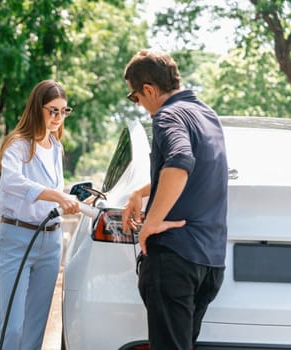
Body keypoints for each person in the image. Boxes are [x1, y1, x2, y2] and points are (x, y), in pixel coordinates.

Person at [121, 49, 228, 350]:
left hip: (175, 259)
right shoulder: (208, 115)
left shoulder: (167, 115)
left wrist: (149, 224)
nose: (139, 105)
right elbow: (190, 169)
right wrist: (140, 192)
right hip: (209, 262)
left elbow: (180, 162)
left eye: (135, 97)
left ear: (149, 90)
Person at [0, 79, 79, 350]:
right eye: (53, 110)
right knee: (12, 324)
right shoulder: (17, 145)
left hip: (51, 242)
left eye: (64, 111)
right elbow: (11, 182)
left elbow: (57, 191)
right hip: (16, 239)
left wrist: (69, 199)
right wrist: (56, 195)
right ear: (37, 109)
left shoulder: (56, 147)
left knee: (35, 326)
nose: (58, 117)